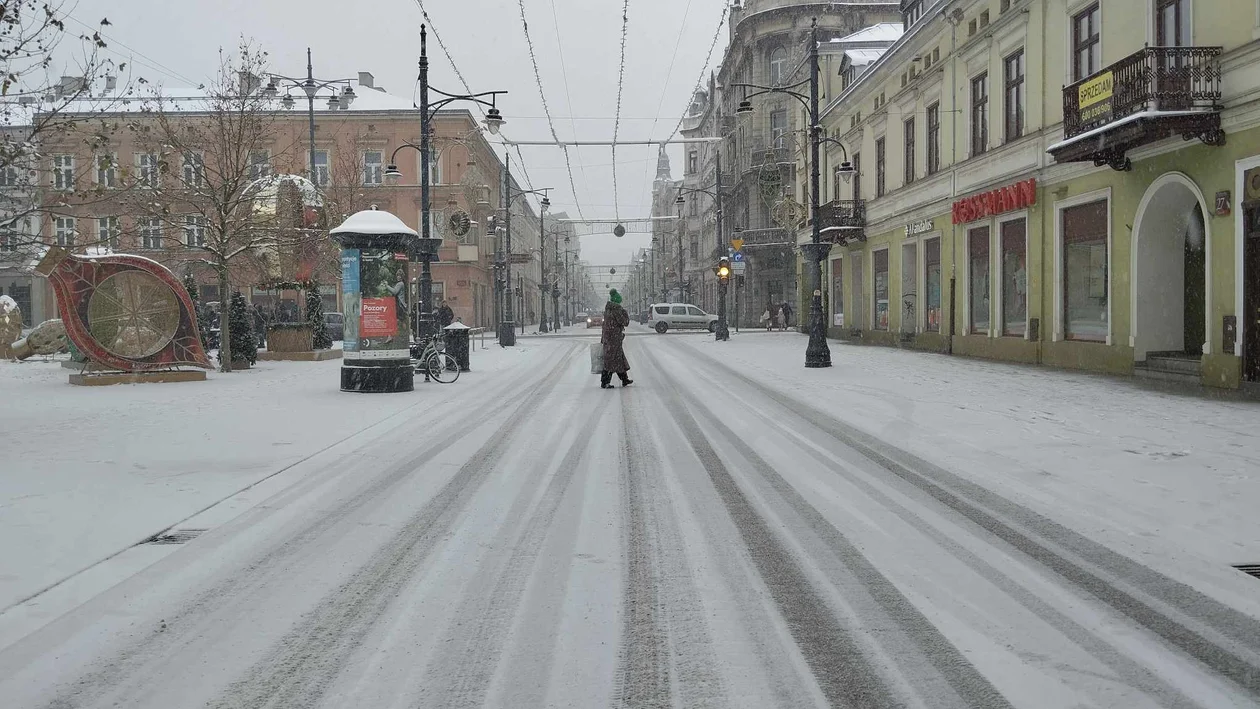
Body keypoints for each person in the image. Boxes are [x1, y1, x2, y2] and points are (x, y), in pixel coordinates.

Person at [600, 289, 633, 389]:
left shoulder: (608, 309)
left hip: (608, 337)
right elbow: (624, 322)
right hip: (613, 338)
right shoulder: (616, 309)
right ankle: (605, 382)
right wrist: (625, 313)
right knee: (612, 360)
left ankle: (624, 379)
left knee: (618, 358)